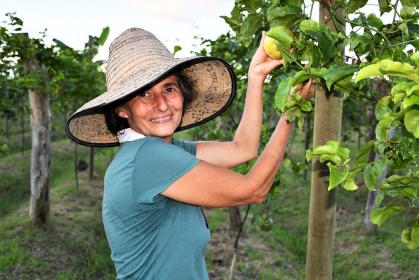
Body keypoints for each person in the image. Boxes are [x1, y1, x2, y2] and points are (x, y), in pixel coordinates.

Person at [65, 27, 311, 279]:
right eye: (143, 94)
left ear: (182, 93)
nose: (161, 104)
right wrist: (292, 112)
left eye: (169, 89)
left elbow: (242, 148)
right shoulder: (148, 157)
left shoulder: (162, 151)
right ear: (122, 110)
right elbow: (253, 189)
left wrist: (256, 76)